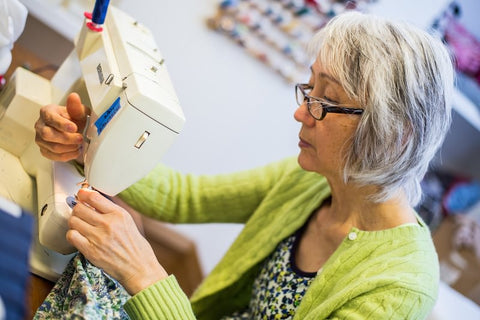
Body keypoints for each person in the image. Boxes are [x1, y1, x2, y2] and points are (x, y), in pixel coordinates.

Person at [33, 11, 454, 319]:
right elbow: (185, 199)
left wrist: (144, 275)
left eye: (324, 102)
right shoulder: (315, 182)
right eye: (309, 89)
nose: (301, 113)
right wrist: (90, 142)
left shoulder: (399, 287)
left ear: (390, 134)